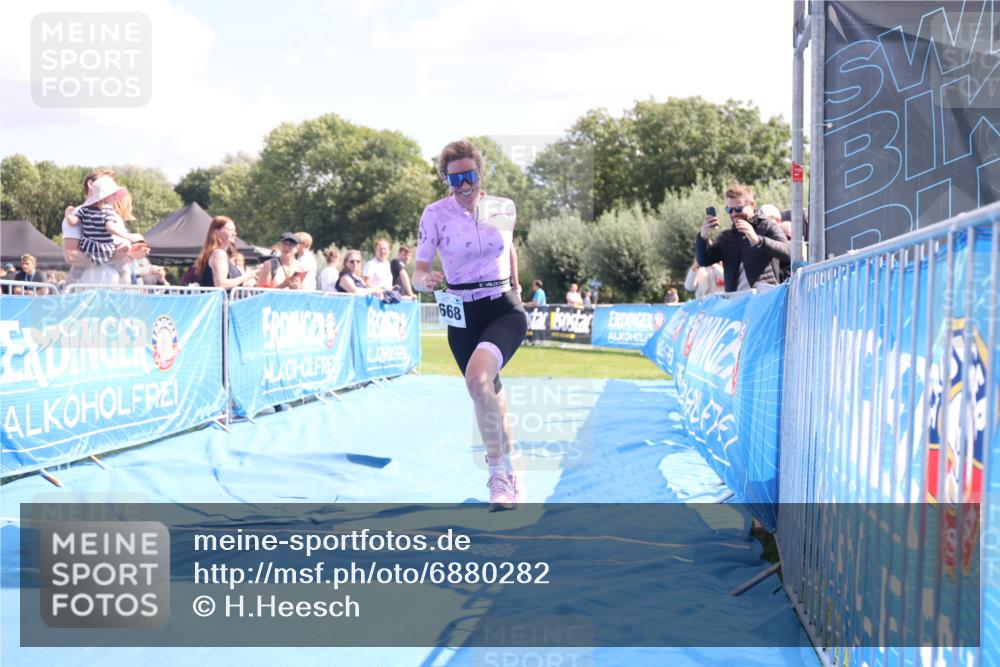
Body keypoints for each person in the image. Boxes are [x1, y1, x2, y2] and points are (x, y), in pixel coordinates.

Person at [412, 138, 526, 511]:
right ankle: (513, 468)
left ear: (480, 173)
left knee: (478, 380)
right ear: (445, 178)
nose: (463, 186)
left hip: (503, 309)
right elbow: (419, 270)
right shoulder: (434, 214)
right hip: (461, 315)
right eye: (455, 179)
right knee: (488, 393)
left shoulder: (503, 208)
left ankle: (498, 476)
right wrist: (425, 281)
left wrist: (518, 288)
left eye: (470, 176)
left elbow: (508, 248)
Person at [695, 183, 790, 292]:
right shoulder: (727, 237)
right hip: (736, 301)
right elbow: (703, 260)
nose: (734, 213)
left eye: (739, 208)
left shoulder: (767, 227)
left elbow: (788, 252)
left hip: (764, 299)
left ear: (753, 205)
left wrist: (758, 240)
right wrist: (703, 235)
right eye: (729, 210)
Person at [62, 169, 150, 284]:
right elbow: (71, 256)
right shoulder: (78, 212)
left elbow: (121, 254)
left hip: (113, 292)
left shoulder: (114, 216)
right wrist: (120, 256)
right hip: (87, 292)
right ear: (91, 184)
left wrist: (132, 252)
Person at [193, 216, 264, 290]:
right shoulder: (219, 254)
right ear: (216, 232)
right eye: (230, 230)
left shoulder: (219, 254)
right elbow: (221, 284)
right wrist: (246, 276)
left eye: (234, 230)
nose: (235, 233)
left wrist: (252, 273)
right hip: (222, 301)